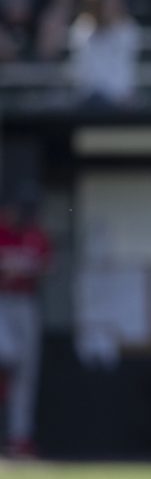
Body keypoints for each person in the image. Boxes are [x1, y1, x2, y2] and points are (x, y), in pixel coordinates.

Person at [0, 195, 51, 459]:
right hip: (1, 301)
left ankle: (19, 439)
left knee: (26, 372)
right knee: (8, 357)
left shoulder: (36, 234)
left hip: (25, 302)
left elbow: (44, 266)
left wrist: (18, 268)